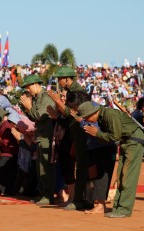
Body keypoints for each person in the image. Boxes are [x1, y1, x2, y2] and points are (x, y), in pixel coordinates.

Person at [76, 101, 144, 218]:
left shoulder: (109, 115)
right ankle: (119, 207)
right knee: (121, 175)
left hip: (134, 140)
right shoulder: (103, 116)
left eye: (87, 118)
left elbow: (114, 136)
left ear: (93, 113)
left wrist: (97, 133)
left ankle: (124, 209)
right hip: (127, 141)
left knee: (128, 175)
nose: (87, 121)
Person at [48, 66, 90, 211]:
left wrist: (59, 103)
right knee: (68, 166)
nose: (58, 82)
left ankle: (80, 199)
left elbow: (74, 113)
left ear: (67, 78)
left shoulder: (78, 92)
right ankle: (74, 197)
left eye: (60, 79)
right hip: (70, 132)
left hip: (78, 133)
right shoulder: (71, 91)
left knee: (81, 166)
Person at [20, 74, 56, 205]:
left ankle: (48, 195)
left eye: (28, 86)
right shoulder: (37, 98)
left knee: (45, 167)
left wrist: (29, 107)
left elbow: (40, 115)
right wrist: (28, 108)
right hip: (41, 136)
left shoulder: (45, 97)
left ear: (35, 84)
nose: (27, 90)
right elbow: (33, 117)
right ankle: (43, 194)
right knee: (39, 167)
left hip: (47, 136)